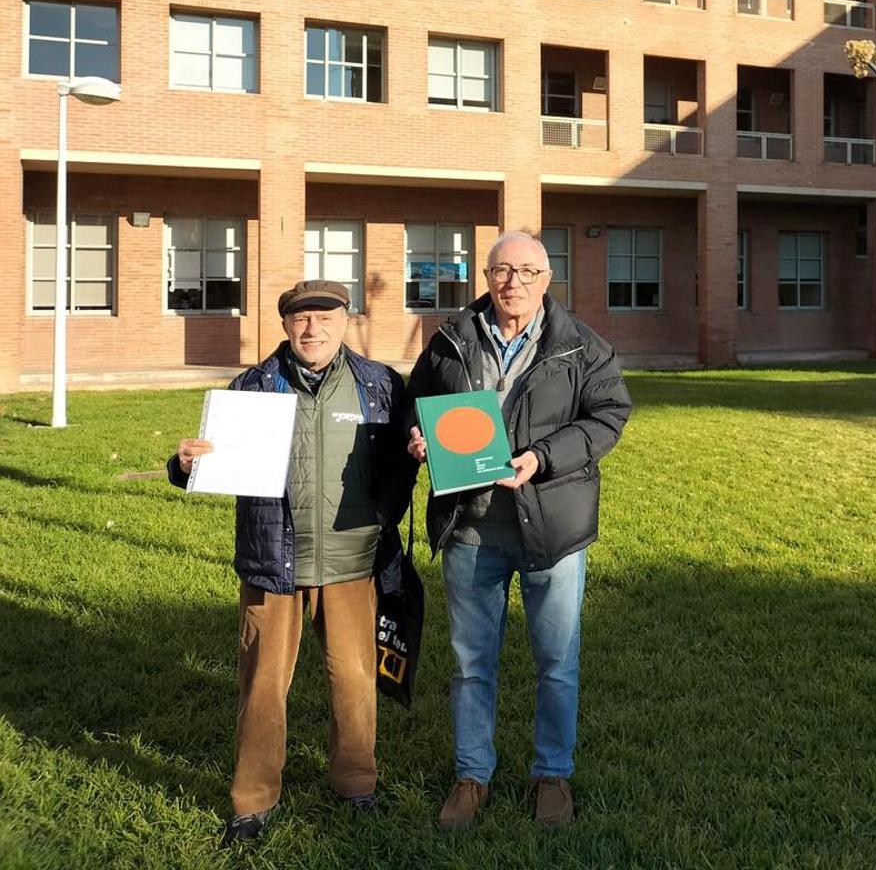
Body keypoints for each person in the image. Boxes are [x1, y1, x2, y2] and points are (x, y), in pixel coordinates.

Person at [169, 279, 416, 847]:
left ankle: (356, 783)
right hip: (272, 562)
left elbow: (403, 463)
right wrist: (185, 465)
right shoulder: (252, 386)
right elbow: (210, 464)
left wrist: (383, 514)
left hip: (353, 561)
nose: (313, 330)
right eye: (301, 320)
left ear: (344, 320)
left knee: (354, 682)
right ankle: (252, 802)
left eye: (325, 318)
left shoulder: (379, 385)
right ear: (285, 326)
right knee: (261, 687)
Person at [406, 231, 632, 831]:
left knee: (556, 661)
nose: (515, 283)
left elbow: (609, 416)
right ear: (485, 276)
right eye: (503, 270)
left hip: (551, 529)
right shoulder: (451, 340)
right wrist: (417, 436)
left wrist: (542, 457)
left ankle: (551, 774)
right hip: (471, 528)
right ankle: (471, 776)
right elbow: (415, 402)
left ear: (547, 279)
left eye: (528, 272)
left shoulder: (582, 347)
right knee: (470, 663)